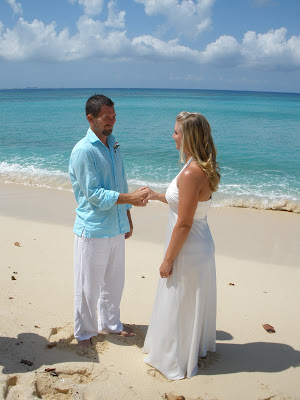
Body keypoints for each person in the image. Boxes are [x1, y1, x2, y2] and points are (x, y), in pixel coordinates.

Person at [143, 111, 220, 380]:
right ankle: (188, 348)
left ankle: (174, 359)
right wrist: (156, 195)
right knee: (185, 301)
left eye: (176, 132)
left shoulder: (191, 172)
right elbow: (183, 202)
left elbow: (184, 223)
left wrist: (167, 259)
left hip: (189, 246)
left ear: (188, 136)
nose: (172, 136)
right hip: (199, 243)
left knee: (179, 300)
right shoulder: (198, 165)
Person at [69, 94, 147, 347]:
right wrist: (130, 199)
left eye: (113, 116)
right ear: (90, 118)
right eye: (106, 117)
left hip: (116, 224)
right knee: (88, 285)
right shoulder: (83, 150)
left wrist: (127, 215)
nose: (112, 121)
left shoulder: (113, 144)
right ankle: (83, 333)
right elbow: (93, 194)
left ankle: (110, 324)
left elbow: (119, 182)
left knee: (114, 281)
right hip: (92, 228)